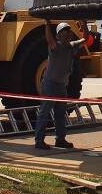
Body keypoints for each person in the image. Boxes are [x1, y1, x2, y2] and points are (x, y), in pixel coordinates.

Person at [34, 20, 93, 151]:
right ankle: (39, 140)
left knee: (60, 114)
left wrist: (84, 25)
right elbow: (49, 39)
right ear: (58, 36)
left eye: (69, 31)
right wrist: (47, 23)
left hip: (61, 85)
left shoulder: (72, 46)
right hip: (49, 85)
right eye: (65, 31)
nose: (68, 33)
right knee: (44, 113)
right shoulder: (56, 47)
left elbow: (85, 39)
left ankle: (60, 139)